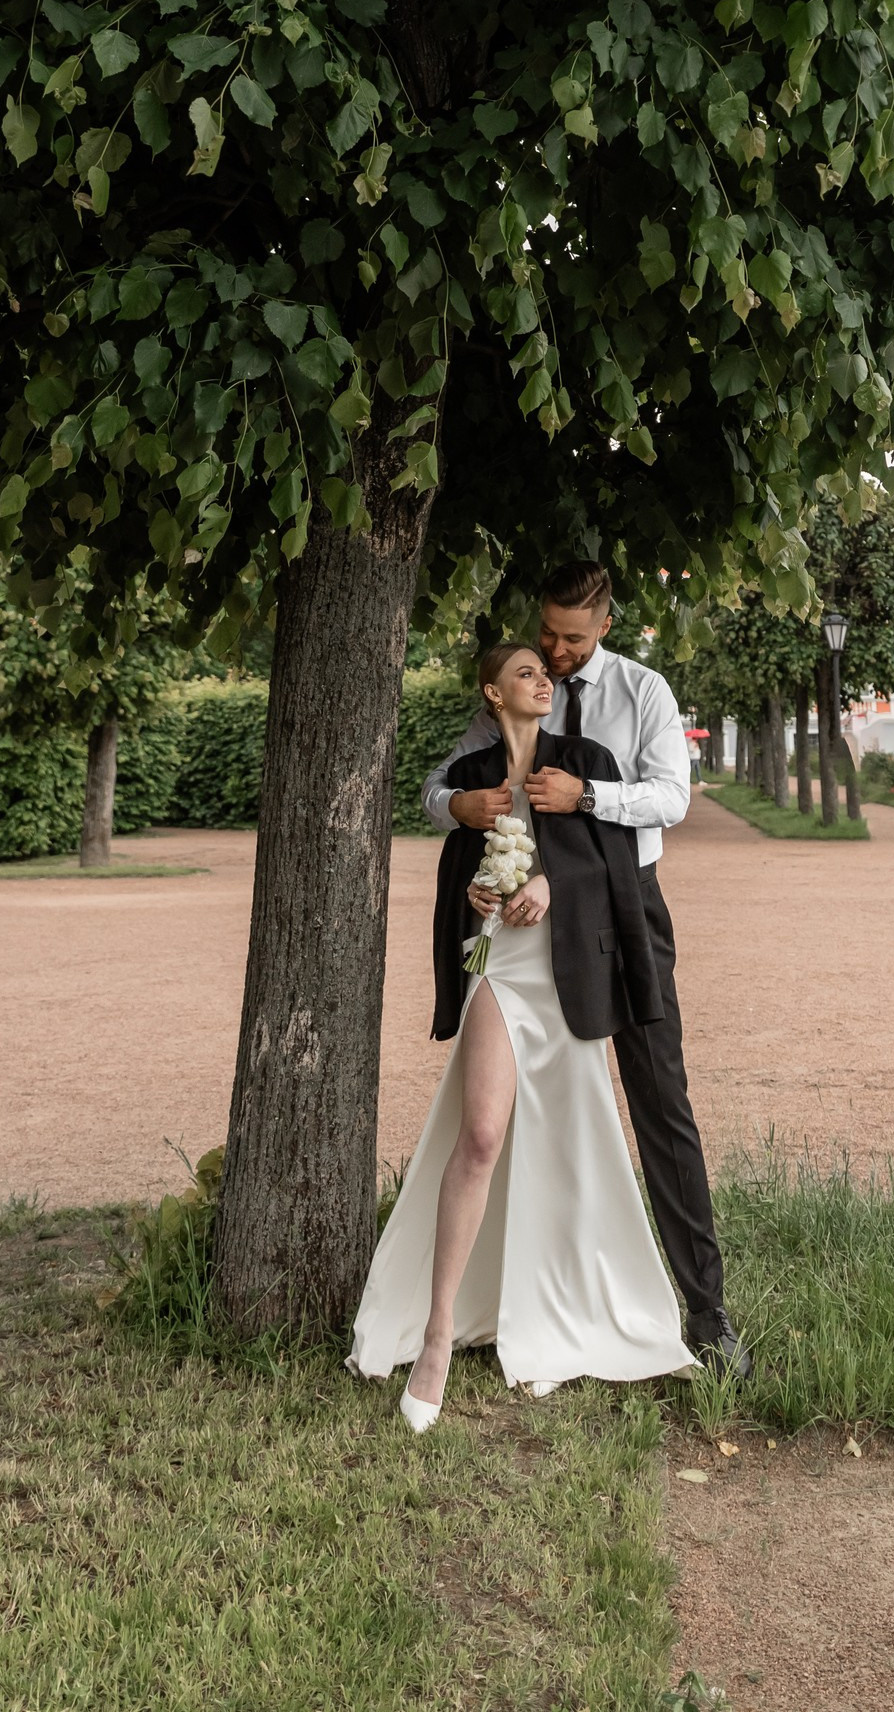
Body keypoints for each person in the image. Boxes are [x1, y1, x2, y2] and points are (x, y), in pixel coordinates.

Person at [348, 641, 696, 1427]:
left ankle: (552, 1319)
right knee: (478, 1137)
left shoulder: (586, 758)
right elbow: (451, 867)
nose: (545, 681)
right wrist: (474, 889)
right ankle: (437, 1335)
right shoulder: (473, 782)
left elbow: (616, 867)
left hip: (568, 971)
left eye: (547, 672)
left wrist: (550, 881)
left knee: (566, 1147)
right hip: (499, 971)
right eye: (526, 674)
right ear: (493, 694)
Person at [419, 558, 749, 1378]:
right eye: (546, 635)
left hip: (621, 905)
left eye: (571, 639)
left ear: (604, 624)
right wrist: (458, 808)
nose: (556, 653)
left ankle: (706, 1314)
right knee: (526, 1117)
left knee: (658, 1098)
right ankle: (534, 1303)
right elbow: (446, 784)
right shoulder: (515, 690)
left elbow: (673, 796)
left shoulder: (644, 692)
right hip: (523, 930)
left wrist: (589, 799)